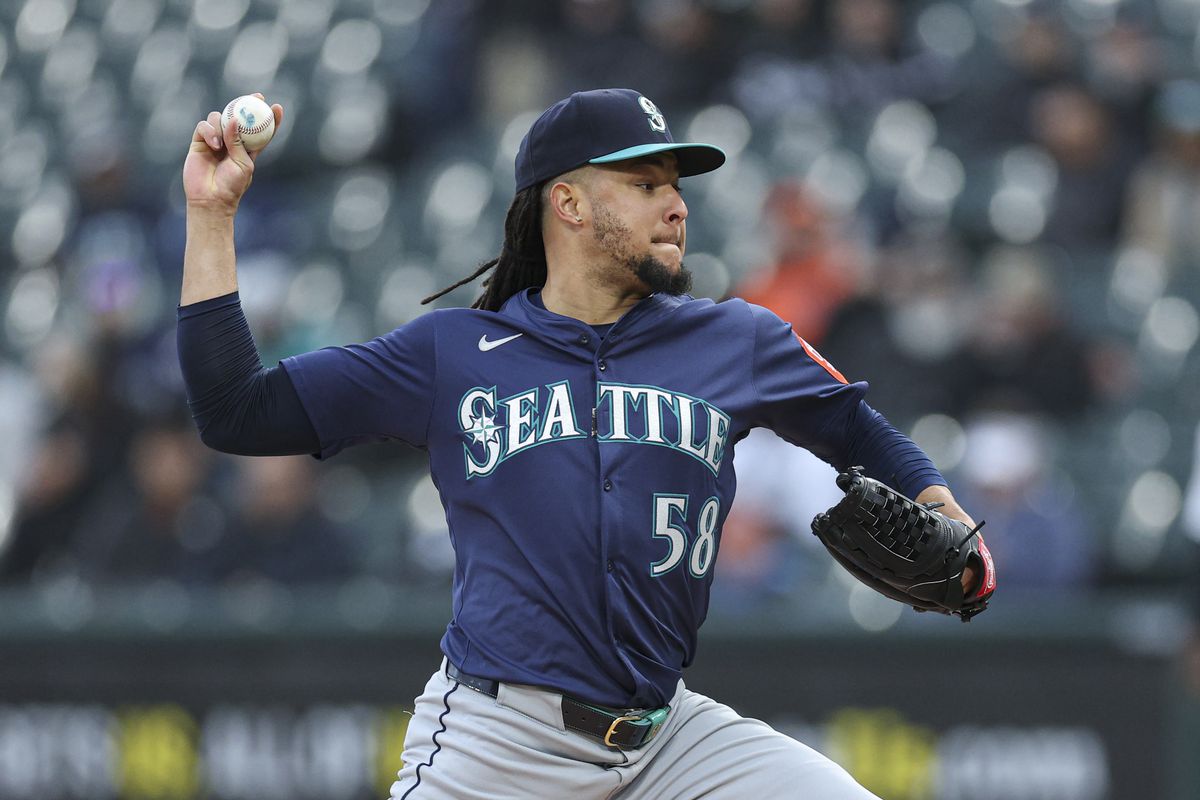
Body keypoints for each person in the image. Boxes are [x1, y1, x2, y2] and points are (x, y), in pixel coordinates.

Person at [178, 88, 989, 799]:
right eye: (644, 185)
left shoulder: (736, 340)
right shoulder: (452, 353)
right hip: (500, 743)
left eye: (675, 187)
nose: (675, 205)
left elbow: (855, 427)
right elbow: (237, 411)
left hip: (669, 743)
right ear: (567, 204)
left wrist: (942, 509)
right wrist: (211, 216)